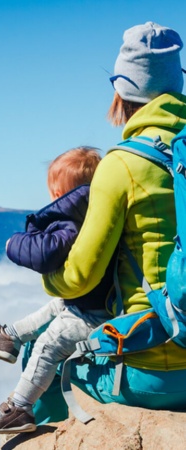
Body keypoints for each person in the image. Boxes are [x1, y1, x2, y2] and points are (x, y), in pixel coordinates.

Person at [39, 21, 186, 422]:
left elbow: (80, 278)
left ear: (121, 90)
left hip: (144, 373)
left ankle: (37, 426)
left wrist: (50, 282)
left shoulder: (120, 164)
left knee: (40, 346)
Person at [0, 146, 115, 434]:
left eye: (55, 192)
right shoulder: (101, 215)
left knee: (48, 344)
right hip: (96, 302)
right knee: (58, 305)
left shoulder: (75, 221)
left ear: (64, 193)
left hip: (96, 314)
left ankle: (20, 408)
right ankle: (10, 337)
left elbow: (46, 253)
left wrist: (15, 243)